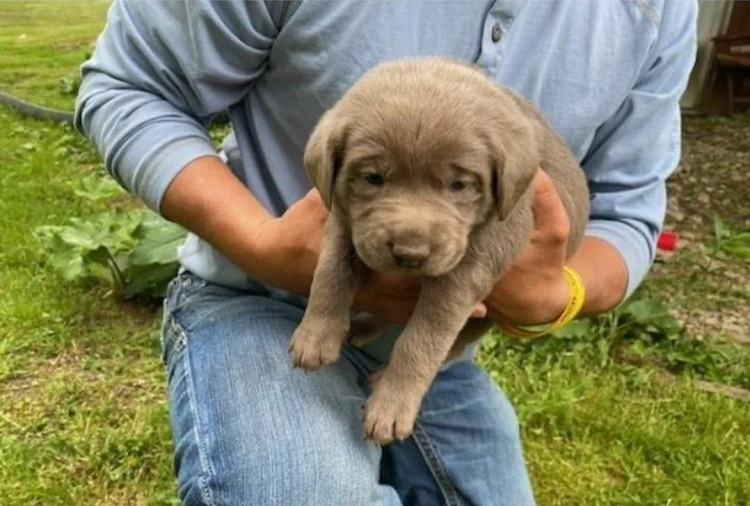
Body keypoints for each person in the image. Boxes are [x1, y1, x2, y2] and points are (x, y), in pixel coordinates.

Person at [75, 1, 697, 504]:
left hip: (430, 346)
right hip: (257, 302)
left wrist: (561, 295)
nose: (410, 232)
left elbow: (625, 208)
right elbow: (130, 87)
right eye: (374, 179)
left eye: (456, 184)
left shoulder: (658, 10)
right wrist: (264, 245)